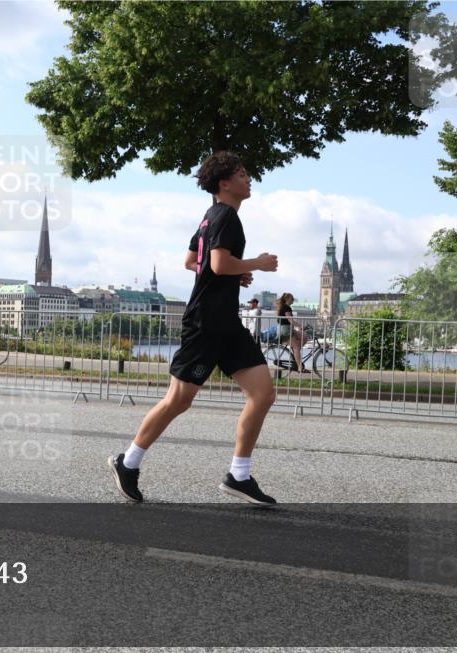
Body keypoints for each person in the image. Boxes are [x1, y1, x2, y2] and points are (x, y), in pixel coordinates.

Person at [107, 151, 280, 504]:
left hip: (227, 323)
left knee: (263, 394)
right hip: (205, 323)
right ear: (225, 183)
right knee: (179, 400)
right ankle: (128, 462)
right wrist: (257, 264)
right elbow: (217, 264)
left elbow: (193, 261)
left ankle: (239, 475)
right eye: (242, 174)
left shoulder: (210, 217)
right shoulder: (225, 216)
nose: (249, 179)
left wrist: (233, 272)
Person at [276, 292, 308, 373]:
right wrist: (300, 326)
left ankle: (296, 354)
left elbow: (290, 321)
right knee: (296, 347)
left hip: (287, 329)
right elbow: (290, 320)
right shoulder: (286, 307)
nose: (293, 300)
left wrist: (299, 327)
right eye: (292, 299)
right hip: (285, 330)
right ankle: (300, 368)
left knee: (304, 337)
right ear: (287, 299)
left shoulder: (284, 307)